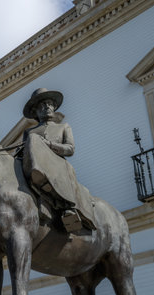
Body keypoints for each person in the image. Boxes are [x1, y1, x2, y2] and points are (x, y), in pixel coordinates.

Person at [21, 88, 95, 232]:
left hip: (58, 165)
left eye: (49, 104)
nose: (47, 107)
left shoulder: (63, 127)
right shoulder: (29, 132)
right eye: (42, 105)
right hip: (33, 165)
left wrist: (49, 145)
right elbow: (22, 154)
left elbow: (70, 149)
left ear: (54, 107)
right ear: (36, 112)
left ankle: (67, 206)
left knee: (35, 140)